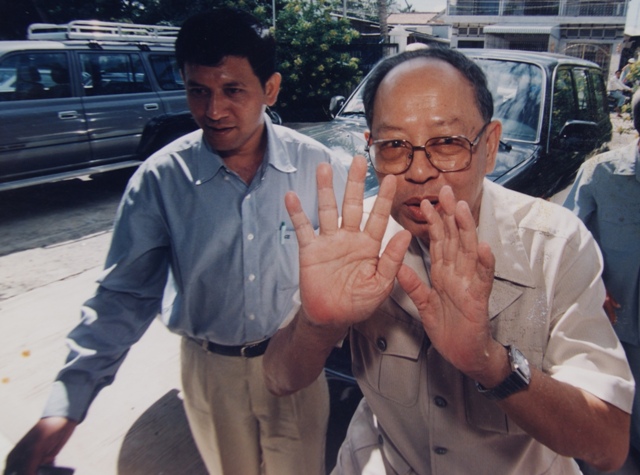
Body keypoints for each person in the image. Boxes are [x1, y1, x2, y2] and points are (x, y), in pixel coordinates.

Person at [4, 8, 346, 475]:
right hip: (210, 375)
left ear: (270, 89)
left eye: (232, 90)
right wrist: (65, 407)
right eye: (197, 91)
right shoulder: (161, 180)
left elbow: (351, 273)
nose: (213, 110)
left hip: (297, 362)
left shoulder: (320, 168)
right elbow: (123, 295)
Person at [263, 47, 634, 474]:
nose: (418, 171)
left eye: (446, 143)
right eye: (394, 145)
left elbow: (608, 445)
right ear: (371, 149)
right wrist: (317, 324)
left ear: (489, 146)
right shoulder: (352, 241)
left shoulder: (553, 246)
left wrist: (489, 363)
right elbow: (277, 379)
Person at [564, 89, 640, 473]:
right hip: (610, 334)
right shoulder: (601, 174)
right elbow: (565, 243)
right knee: (601, 438)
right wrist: (595, 287)